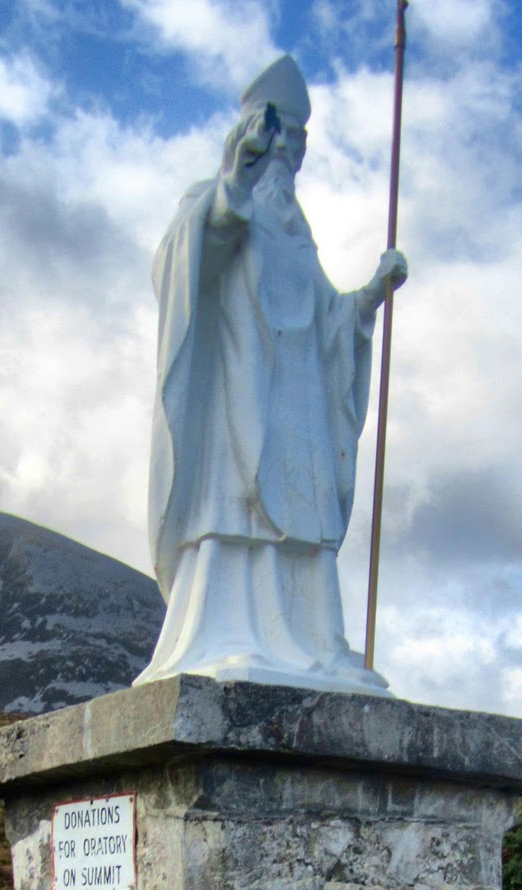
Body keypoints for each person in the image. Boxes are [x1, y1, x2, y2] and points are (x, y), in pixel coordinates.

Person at [134, 54, 407, 694]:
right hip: (239, 391)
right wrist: (233, 182)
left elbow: (325, 316)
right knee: (236, 508)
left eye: (296, 147)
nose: (285, 156)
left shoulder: (295, 229)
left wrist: (369, 296)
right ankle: (230, 633)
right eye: (277, 140)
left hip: (299, 402)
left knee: (305, 515)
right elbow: (181, 262)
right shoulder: (213, 199)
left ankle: (318, 642)